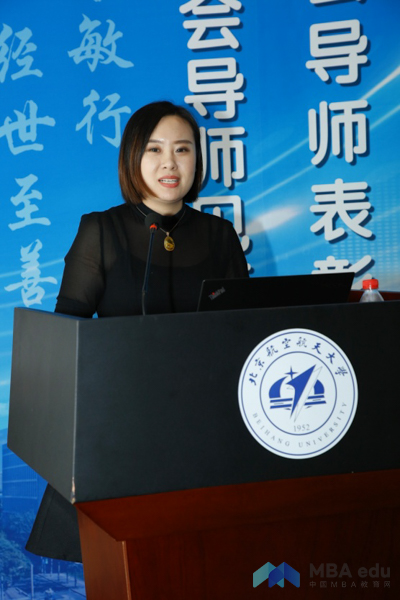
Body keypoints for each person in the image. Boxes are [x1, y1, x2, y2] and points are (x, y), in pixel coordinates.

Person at [26, 101, 248, 562]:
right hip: (121, 424)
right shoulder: (101, 230)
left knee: (202, 559)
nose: (170, 163)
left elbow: (243, 331)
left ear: (197, 159)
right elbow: (67, 335)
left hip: (203, 427)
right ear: (132, 158)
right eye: (155, 149)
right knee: (123, 562)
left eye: (183, 149)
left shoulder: (220, 236)